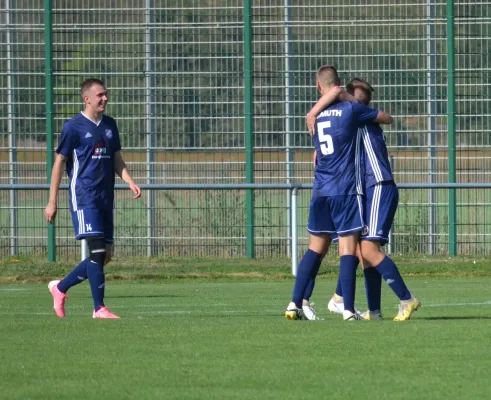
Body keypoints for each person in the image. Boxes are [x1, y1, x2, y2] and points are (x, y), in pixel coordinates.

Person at [306, 78, 421, 321]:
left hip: (378, 184)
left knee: (367, 248)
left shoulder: (360, 116)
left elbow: (337, 93)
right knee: (363, 249)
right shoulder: (351, 119)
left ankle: (406, 299)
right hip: (366, 189)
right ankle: (374, 311)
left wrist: (314, 112)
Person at [285, 66, 393, 321]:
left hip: (320, 188)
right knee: (348, 248)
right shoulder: (352, 110)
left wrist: (314, 109)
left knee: (315, 248)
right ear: (340, 86)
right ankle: (346, 309)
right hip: (345, 189)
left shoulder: (317, 115)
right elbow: (385, 118)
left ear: (317, 87)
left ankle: (294, 303)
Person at [44, 78, 141, 319]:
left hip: (105, 197)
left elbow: (116, 157)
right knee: (97, 251)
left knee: (104, 256)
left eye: (105, 94)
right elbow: (59, 163)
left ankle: (60, 287)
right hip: (84, 196)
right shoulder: (73, 127)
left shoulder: (110, 125)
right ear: (86, 98)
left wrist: (129, 180)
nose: (105, 98)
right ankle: (99, 308)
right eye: (100, 95)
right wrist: (52, 200)